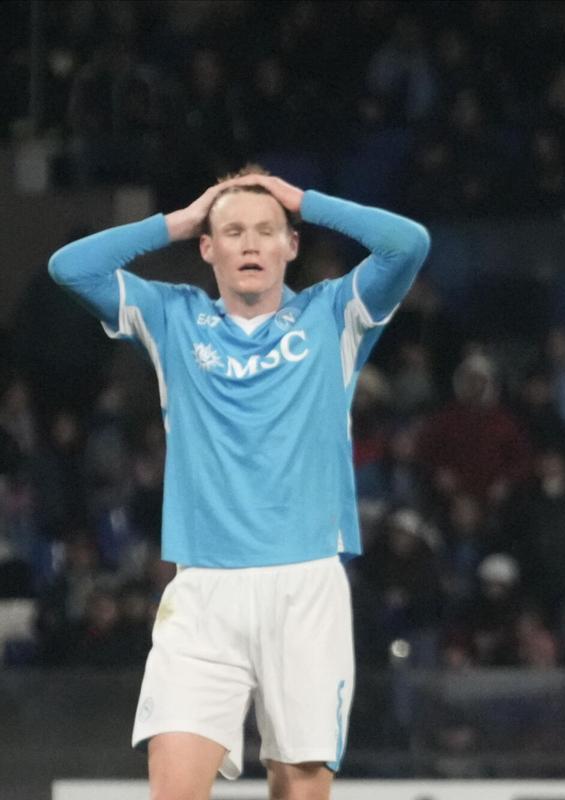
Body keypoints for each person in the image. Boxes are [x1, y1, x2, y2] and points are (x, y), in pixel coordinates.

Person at [49, 166, 430, 800]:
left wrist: (303, 200)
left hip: (305, 585)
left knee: (299, 789)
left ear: (291, 245)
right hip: (204, 591)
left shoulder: (335, 314)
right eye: (231, 231)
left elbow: (407, 244)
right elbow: (70, 268)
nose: (250, 244)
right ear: (208, 247)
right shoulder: (172, 316)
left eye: (265, 231)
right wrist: (179, 217)